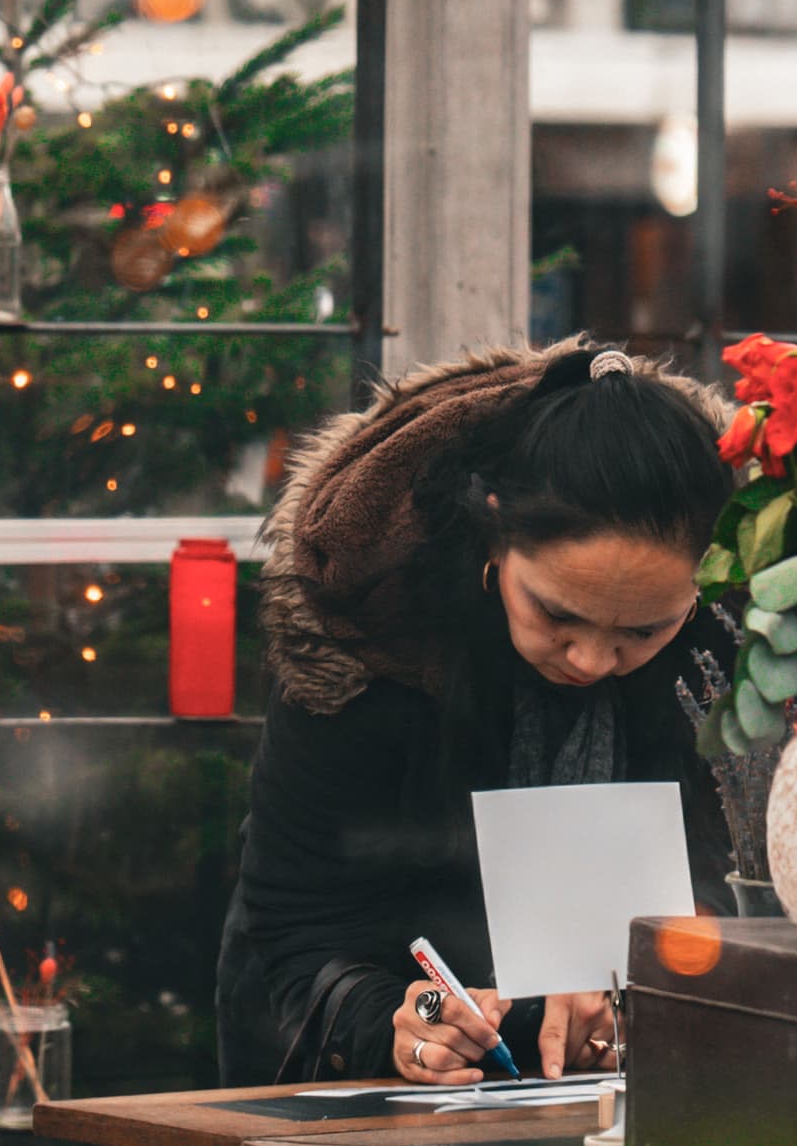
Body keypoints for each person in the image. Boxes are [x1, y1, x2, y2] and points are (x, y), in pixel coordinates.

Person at [218, 338, 739, 1086]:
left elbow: (741, 887)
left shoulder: (721, 659)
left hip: (632, 1099)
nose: (591, 660)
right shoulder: (371, 645)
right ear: (493, 531)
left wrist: (649, 981)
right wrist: (407, 1024)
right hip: (365, 1104)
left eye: (643, 630)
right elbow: (292, 935)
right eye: (557, 612)